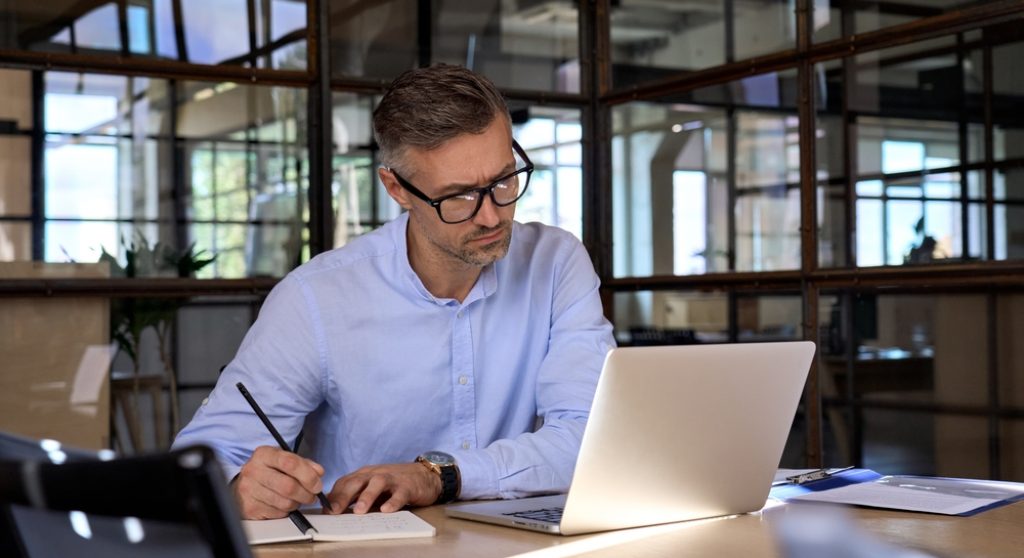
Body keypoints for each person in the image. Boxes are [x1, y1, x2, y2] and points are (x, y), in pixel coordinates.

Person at [172, 64, 615, 520]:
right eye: (459, 196)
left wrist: (439, 475)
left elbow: (591, 436)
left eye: (503, 180)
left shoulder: (556, 262)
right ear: (396, 189)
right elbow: (200, 460)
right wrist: (236, 486)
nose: (490, 216)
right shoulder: (317, 298)